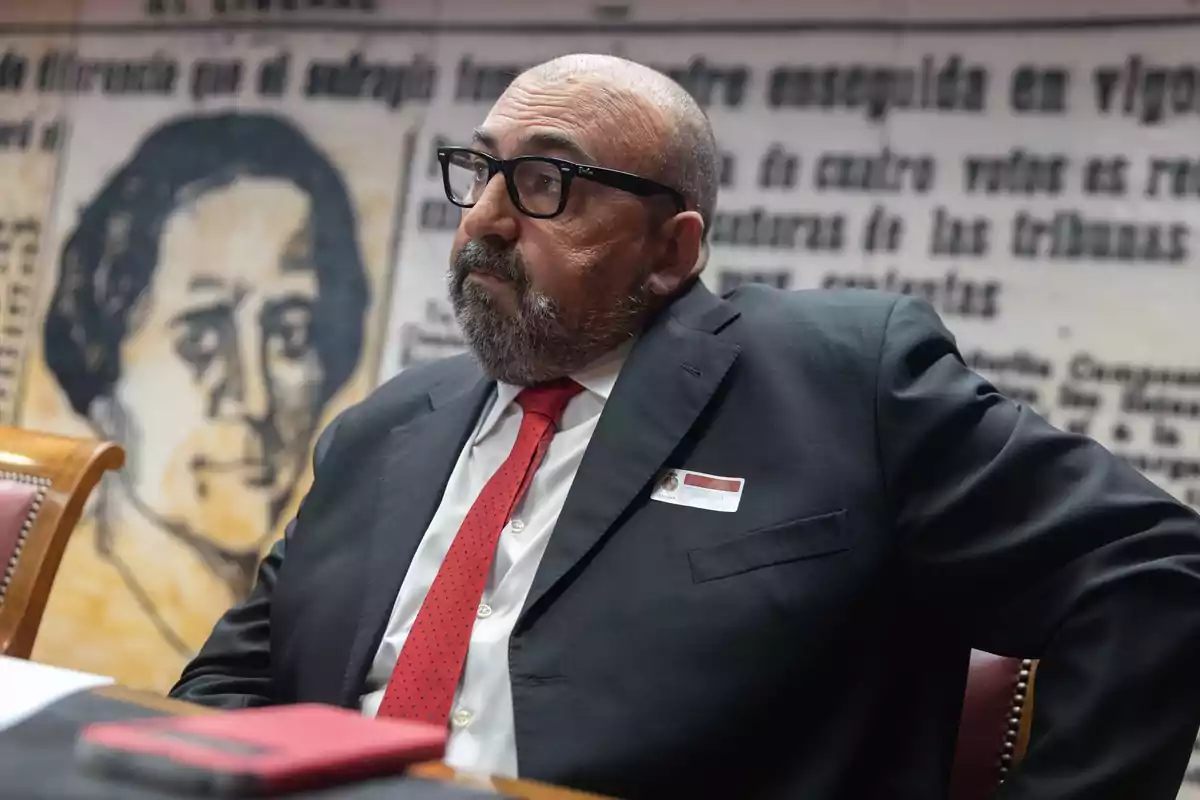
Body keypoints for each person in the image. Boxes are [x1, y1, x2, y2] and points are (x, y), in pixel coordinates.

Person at [172, 56, 1200, 799]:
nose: (484, 219)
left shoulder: (840, 384)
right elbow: (234, 681)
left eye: (546, 183)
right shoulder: (386, 426)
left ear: (671, 250)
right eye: (481, 171)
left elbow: (1152, 571)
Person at [42, 112, 369, 666]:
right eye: (201, 340)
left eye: (290, 333)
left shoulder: (318, 630)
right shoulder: (50, 619)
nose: (256, 400)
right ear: (102, 363)